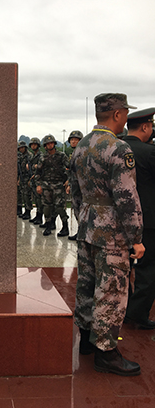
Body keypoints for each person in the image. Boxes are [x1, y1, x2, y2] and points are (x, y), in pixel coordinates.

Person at [70, 93, 145, 376]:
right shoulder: (118, 148)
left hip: (88, 226)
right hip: (112, 233)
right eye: (125, 113)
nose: (125, 117)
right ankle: (106, 351)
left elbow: (75, 191)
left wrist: (83, 217)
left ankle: (87, 340)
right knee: (111, 290)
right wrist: (136, 238)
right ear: (116, 115)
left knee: (87, 284)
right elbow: (127, 197)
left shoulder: (82, 146)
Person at [124, 108, 155, 329]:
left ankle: (124, 309)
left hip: (120, 220)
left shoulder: (116, 149)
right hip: (148, 221)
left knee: (123, 267)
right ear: (145, 127)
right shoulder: (149, 152)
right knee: (148, 269)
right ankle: (137, 314)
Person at [35, 134, 70, 236]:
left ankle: (65, 226)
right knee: (47, 207)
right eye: (47, 144)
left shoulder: (62, 156)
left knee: (59, 207)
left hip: (58, 185)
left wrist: (68, 180)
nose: (50, 145)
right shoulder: (43, 157)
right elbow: (38, 172)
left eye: (51, 143)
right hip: (46, 185)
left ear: (54, 144)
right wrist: (38, 185)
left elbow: (70, 168)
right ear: (45, 146)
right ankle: (49, 226)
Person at [65, 130, 84, 240]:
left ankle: (83, 234)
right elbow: (72, 171)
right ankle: (80, 232)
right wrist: (69, 183)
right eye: (72, 140)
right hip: (75, 186)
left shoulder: (83, 153)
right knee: (76, 209)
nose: (73, 141)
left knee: (82, 210)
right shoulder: (73, 154)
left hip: (82, 187)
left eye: (76, 140)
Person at [28, 137, 43, 225]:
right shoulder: (32, 156)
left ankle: (40, 217)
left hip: (39, 179)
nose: (33, 146)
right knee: (36, 200)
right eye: (32, 145)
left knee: (40, 200)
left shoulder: (40, 155)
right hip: (33, 179)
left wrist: (34, 167)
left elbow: (41, 167)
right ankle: (37, 216)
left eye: (35, 144)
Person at [17, 141, 33, 220]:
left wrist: (30, 179)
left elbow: (31, 168)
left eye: (22, 148)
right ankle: (25, 211)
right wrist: (19, 179)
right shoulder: (20, 156)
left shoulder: (29, 156)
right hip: (22, 177)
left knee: (27, 195)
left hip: (28, 177)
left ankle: (28, 211)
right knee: (23, 194)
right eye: (20, 148)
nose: (21, 149)